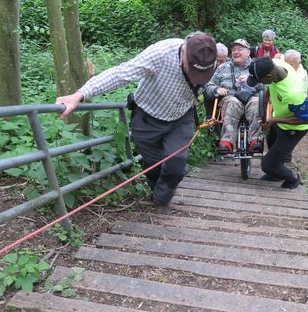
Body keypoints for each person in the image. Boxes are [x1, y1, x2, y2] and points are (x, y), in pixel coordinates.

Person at [55, 32, 217, 207]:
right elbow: (120, 74)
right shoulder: (161, 54)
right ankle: (156, 192)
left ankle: (161, 203)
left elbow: (208, 86)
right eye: (191, 69)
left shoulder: (208, 57)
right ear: (184, 51)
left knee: (175, 166)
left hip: (180, 117)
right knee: (153, 166)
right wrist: (80, 94)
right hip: (147, 118)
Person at [246, 57, 308, 189]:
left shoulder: (294, 92)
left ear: (269, 75)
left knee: (267, 165)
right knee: (272, 145)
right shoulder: (275, 65)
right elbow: (270, 86)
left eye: (260, 80)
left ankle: (293, 177)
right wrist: (266, 101)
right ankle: (275, 174)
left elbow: (307, 119)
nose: (259, 83)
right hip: (280, 118)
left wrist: (273, 120)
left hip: (294, 128)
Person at [205, 39, 263, 154]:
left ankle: (255, 141)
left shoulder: (257, 67)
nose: (236, 52)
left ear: (248, 52)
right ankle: (227, 142)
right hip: (230, 99)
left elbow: (268, 87)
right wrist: (217, 89)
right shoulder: (222, 68)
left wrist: (252, 81)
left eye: (240, 49)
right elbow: (208, 87)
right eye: (234, 50)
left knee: (257, 102)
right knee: (232, 101)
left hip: (252, 99)